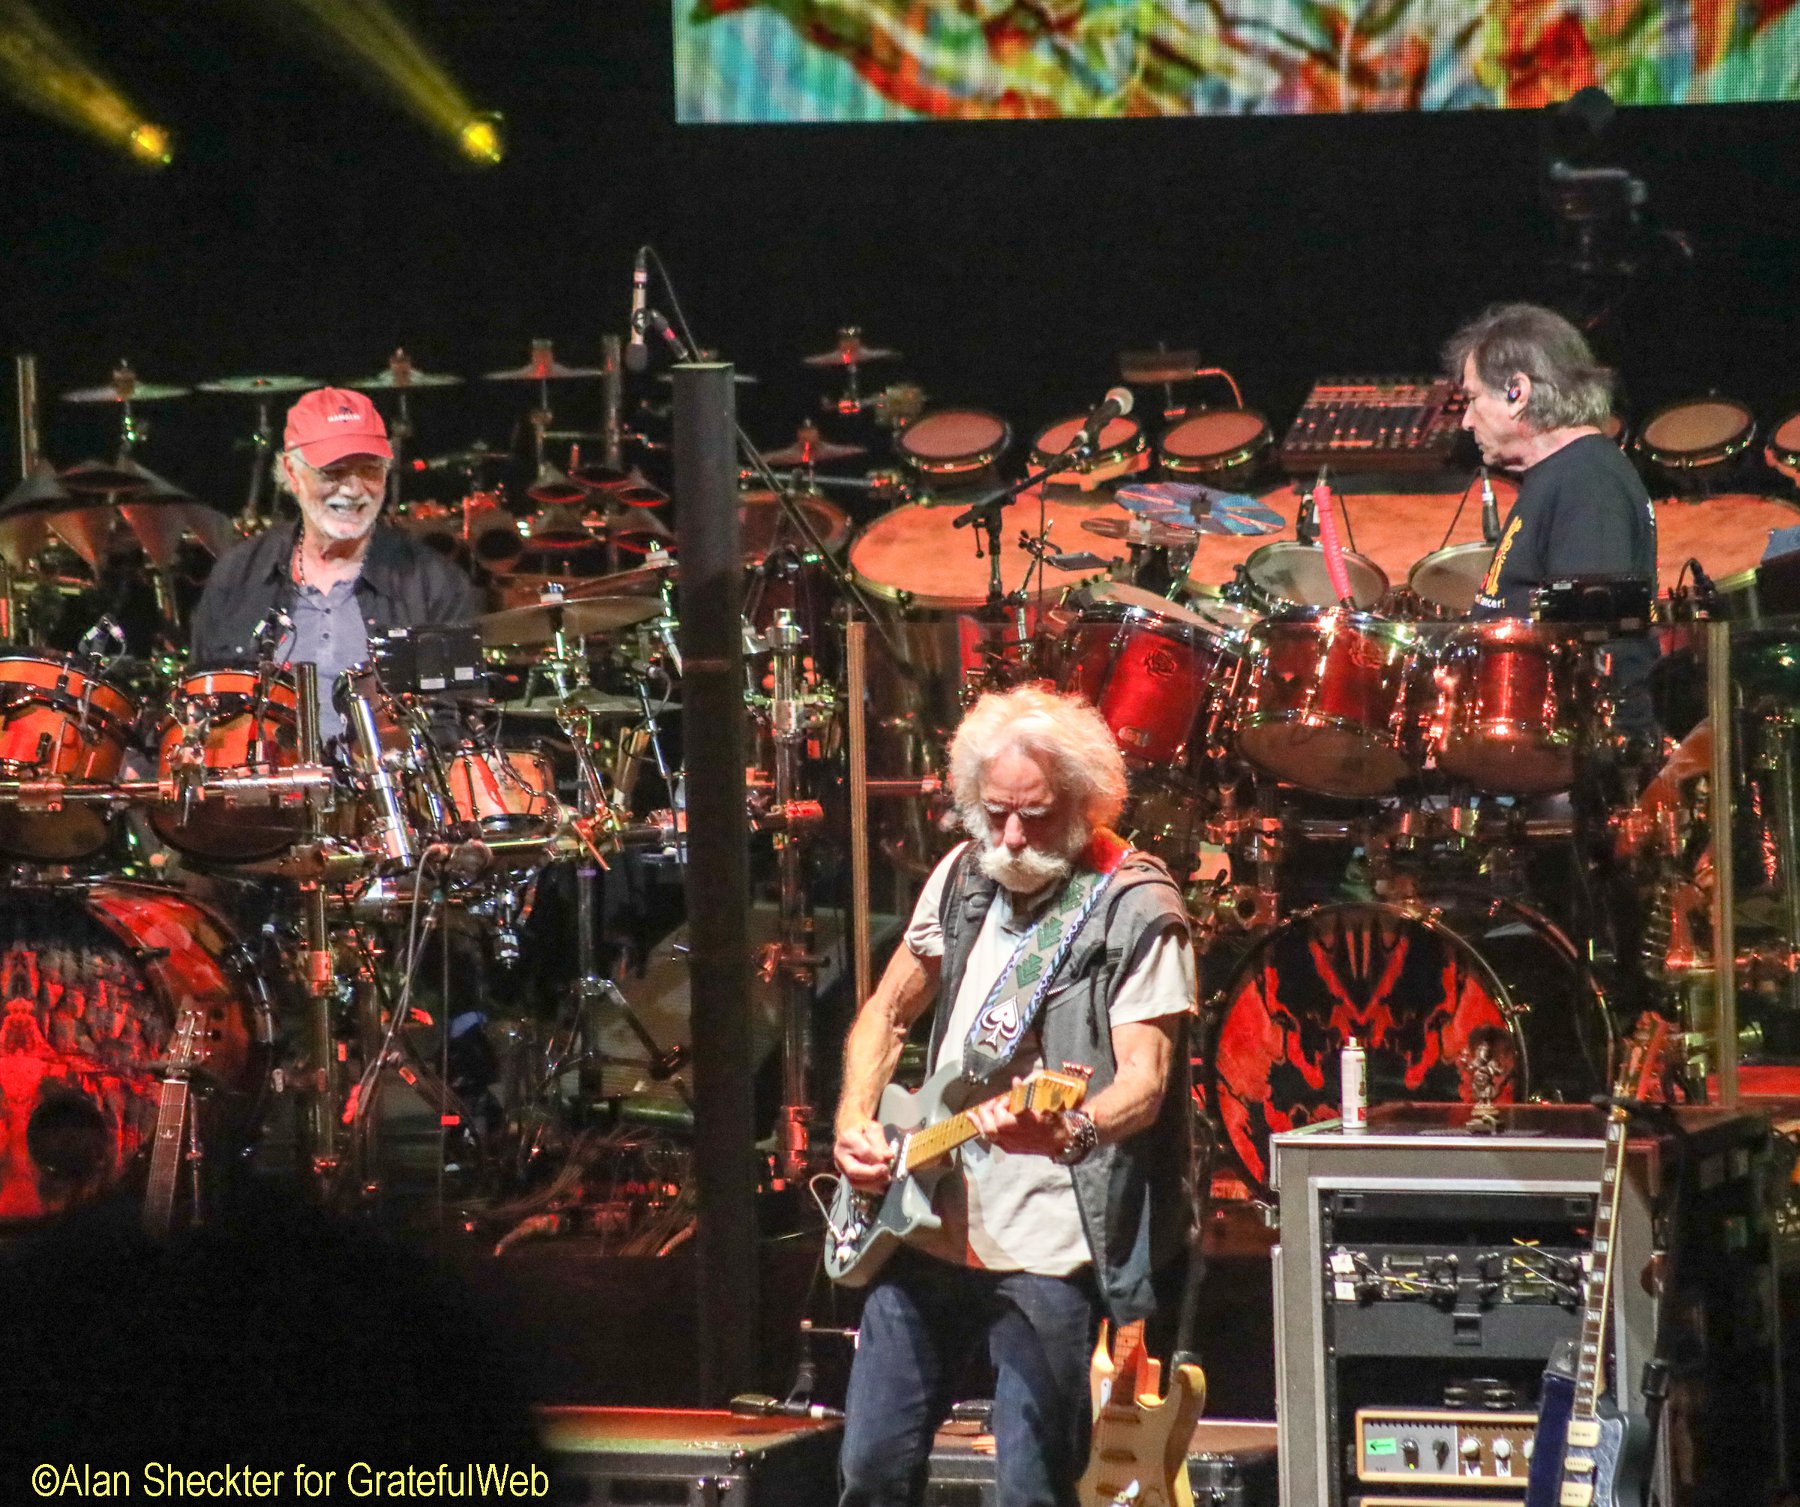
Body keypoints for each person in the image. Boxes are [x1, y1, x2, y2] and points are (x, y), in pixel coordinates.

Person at [833, 685, 1197, 1507]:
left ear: (1084, 802)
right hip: (921, 1224)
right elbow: (887, 1013)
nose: (1012, 837)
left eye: (1034, 816)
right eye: (995, 812)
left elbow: (1143, 1082)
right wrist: (855, 1118)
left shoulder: (1138, 907)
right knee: (870, 1472)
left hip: (1046, 1250)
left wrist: (1070, 1128)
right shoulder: (964, 876)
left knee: (1031, 1489)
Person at [189, 386, 477, 741]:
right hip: (263, 791)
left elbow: (459, 726)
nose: (354, 489)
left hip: (392, 791)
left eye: (369, 470)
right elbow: (198, 708)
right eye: (334, 472)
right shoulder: (237, 576)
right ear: (291, 474)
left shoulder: (435, 583)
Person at [1444, 302, 1658, 733]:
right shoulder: (1559, 474)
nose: (1466, 420)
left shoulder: (1588, 481)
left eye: (1471, 399)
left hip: (1562, 765)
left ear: (1516, 392)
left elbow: (1584, 649)